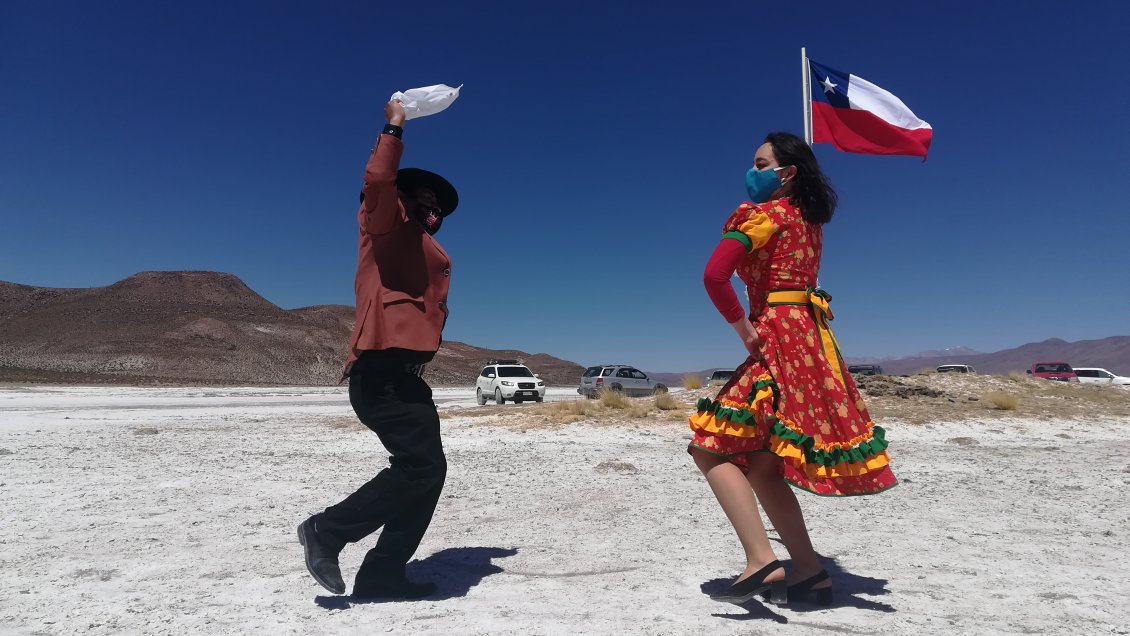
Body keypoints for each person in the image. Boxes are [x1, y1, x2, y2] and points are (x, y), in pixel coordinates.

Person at [690, 132, 897, 606]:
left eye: (761, 164)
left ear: (787, 173)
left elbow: (714, 275)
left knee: (709, 447)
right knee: (763, 467)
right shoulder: (808, 222)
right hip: (812, 344)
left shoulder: (762, 217)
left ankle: (762, 560)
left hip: (777, 339)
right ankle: (809, 573)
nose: (752, 171)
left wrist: (742, 329)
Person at [297, 99, 459, 600]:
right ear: (405, 201)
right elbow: (379, 183)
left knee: (428, 473)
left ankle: (385, 572)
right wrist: (395, 126)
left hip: (406, 377)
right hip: (380, 373)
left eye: (439, 206)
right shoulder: (384, 224)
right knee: (420, 468)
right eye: (425, 200)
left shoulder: (419, 243)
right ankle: (327, 530)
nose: (433, 210)